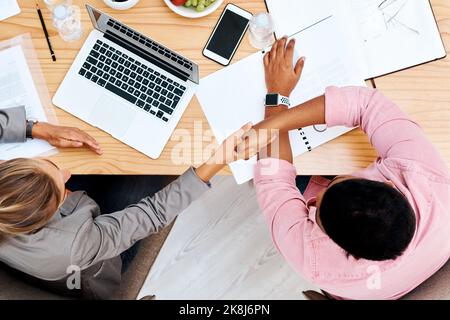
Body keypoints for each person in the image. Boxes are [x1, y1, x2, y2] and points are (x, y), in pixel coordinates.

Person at [242, 37, 450, 299]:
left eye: (316, 210)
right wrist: (272, 125)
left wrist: (277, 98)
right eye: (335, 183)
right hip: (409, 270)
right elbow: (366, 104)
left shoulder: (316, 261)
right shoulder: (430, 180)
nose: (316, 198)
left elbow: (274, 178)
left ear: (336, 244)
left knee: (270, 177)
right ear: (389, 184)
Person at [0, 105, 263, 299]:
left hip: (63, 230)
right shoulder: (75, 244)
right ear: (49, 213)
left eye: (46, 165)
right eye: (61, 186)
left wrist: (35, 128)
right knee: (149, 167)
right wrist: (218, 160)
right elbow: (154, 213)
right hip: (98, 260)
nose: (66, 173)